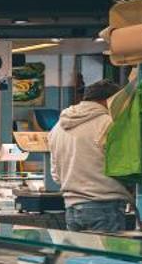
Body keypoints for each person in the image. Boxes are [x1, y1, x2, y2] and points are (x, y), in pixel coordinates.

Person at [48, 79, 132, 232]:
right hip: (105, 206)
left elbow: (56, 176)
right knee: (105, 256)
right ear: (111, 100)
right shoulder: (109, 124)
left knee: (79, 256)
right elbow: (124, 168)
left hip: (71, 208)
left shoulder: (57, 128)